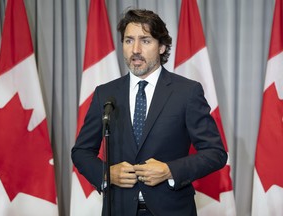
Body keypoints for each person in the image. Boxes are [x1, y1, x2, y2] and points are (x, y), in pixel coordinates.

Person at [71, 8, 227, 216]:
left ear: (162, 47)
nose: (135, 49)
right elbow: (81, 151)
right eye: (128, 41)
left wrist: (170, 170)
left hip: (172, 210)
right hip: (119, 210)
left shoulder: (187, 92)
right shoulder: (105, 94)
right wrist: (106, 174)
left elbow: (215, 153)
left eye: (145, 41)